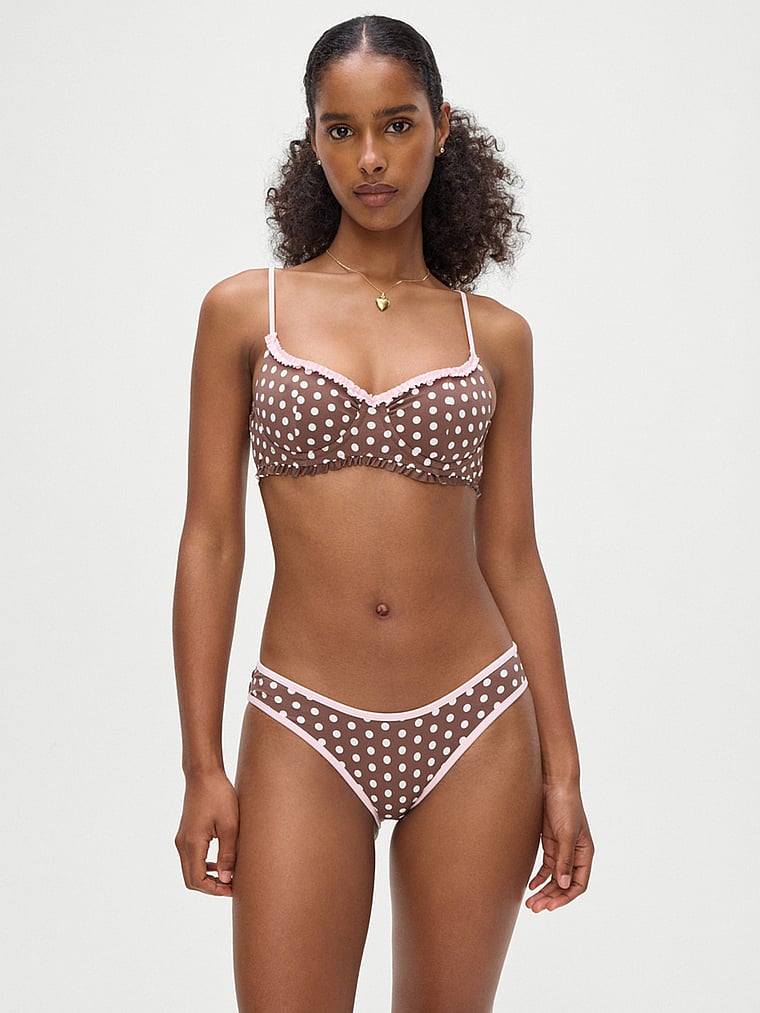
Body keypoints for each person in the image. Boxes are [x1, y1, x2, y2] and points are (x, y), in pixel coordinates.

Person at [172, 14, 593, 1011]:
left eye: (397, 124)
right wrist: (201, 764)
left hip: (478, 721)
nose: (370, 158)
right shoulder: (245, 311)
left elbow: (514, 557)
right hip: (302, 721)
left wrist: (565, 770)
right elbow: (212, 539)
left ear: (441, 127)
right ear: (312, 139)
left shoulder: (497, 337)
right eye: (342, 129)